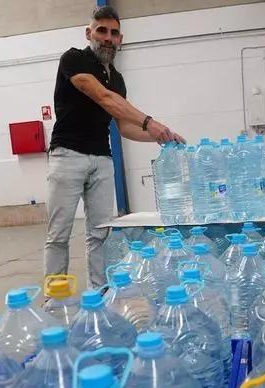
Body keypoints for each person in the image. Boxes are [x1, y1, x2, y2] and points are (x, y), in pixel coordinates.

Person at [44, 5, 185, 287]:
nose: (108, 38)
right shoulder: (74, 60)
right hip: (67, 155)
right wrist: (149, 121)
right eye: (102, 31)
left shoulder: (117, 79)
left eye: (114, 33)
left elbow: (123, 126)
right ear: (89, 33)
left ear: (120, 39)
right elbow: (103, 97)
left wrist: (161, 135)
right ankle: (54, 300)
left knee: (100, 233)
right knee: (59, 235)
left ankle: (101, 292)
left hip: (102, 160)